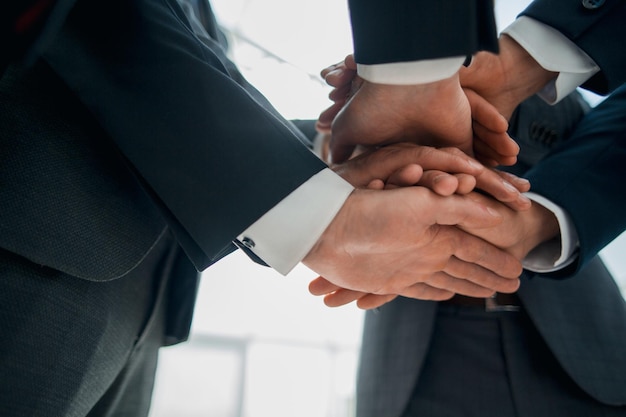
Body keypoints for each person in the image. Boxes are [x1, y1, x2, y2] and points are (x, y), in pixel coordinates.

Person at [0, 1, 530, 416]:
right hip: (29, 251)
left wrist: (338, 161)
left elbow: (188, 76)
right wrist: (312, 208)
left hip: (140, 300)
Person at [310, 1, 626, 415]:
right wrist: (346, 153)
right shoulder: (383, 60)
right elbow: (286, 151)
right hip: (416, 370)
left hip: (580, 353)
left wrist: (540, 218)